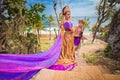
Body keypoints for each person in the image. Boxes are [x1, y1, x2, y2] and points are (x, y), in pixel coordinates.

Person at [0, 6, 76, 80]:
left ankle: (67, 57)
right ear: (65, 15)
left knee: (64, 52)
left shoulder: (64, 22)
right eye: (68, 14)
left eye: (70, 14)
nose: (69, 15)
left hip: (66, 40)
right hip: (66, 39)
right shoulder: (67, 23)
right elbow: (72, 30)